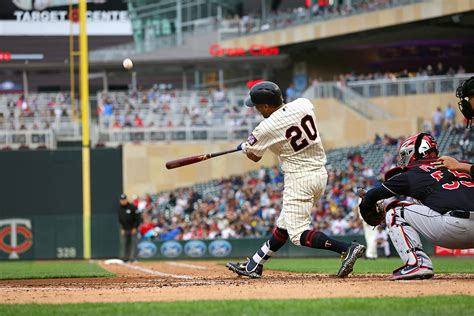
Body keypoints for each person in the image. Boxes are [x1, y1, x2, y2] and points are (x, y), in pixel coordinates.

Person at [226, 81, 365, 279]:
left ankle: (347, 248)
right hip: (320, 174)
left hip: (300, 179)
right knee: (284, 224)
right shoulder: (303, 104)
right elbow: (287, 122)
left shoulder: (265, 128)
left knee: (297, 235)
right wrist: (252, 142)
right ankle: (254, 264)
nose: (256, 110)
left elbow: (255, 156)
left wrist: (248, 147)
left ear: (266, 106)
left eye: (257, 106)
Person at [359, 133, 474, 280]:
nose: (403, 159)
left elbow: (371, 196)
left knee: (395, 212)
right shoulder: (459, 165)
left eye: (405, 154)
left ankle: (418, 264)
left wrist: (366, 209)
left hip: (454, 227)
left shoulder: (413, 174)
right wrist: (461, 166)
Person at [118, 194, 141, 262]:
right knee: (125, 244)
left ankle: (133, 258)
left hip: (132, 228)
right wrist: (122, 228)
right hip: (125, 229)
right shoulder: (120, 208)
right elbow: (120, 219)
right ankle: (125, 258)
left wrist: (135, 227)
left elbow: (138, 218)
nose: (123, 201)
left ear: (126, 200)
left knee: (133, 244)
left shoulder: (132, 207)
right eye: (121, 200)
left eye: (124, 199)